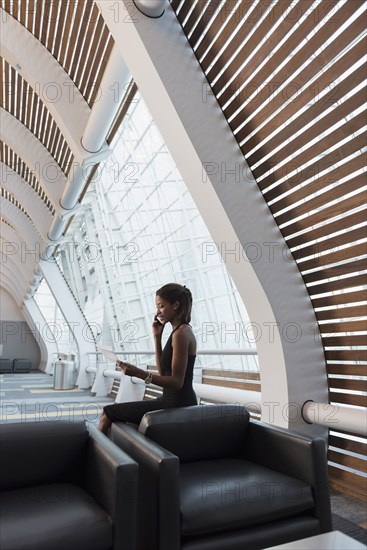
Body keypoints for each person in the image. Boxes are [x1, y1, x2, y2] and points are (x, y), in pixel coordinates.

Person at [98, 283, 197, 434]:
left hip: (177, 404)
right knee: (113, 415)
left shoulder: (182, 334)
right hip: (169, 400)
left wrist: (138, 373)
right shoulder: (178, 332)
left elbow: (177, 383)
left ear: (175, 305)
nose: (157, 312)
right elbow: (163, 373)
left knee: (108, 412)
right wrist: (157, 337)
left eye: (161, 306)